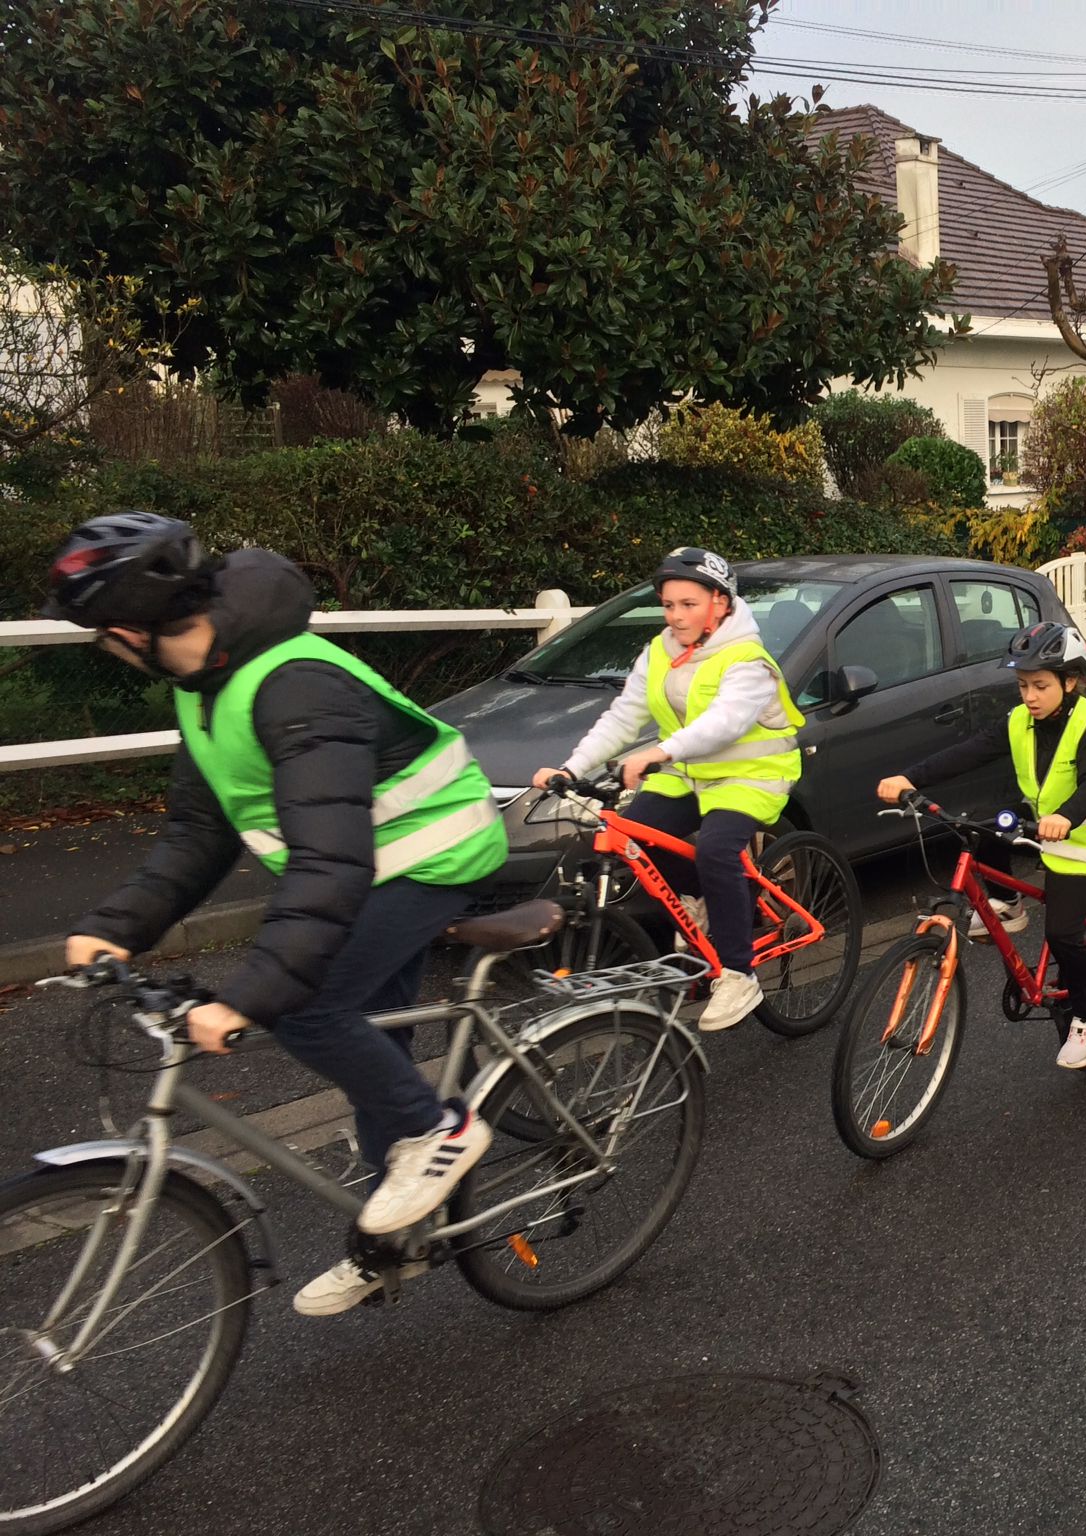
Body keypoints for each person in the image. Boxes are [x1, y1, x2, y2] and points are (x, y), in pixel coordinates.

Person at [47, 512, 508, 1318]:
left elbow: (331, 865)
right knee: (373, 1045)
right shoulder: (206, 687)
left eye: (100, 636)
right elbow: (199, 832)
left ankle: (443, 1135)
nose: (106, 649)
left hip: (432, 856)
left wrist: (251, 993)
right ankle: (395, 1238)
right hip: (363, 866)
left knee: (307, 1009)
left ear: (127, 630)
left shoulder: (297, 684)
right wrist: (116, 925)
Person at [533, 547, 803, 1033]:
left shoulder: (747, 658)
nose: (675, 615)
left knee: (718, 849)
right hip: (689, 769)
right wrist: (571, 767)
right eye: (669, 604)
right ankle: (699, 899)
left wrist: (659, 753)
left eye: (688, 604)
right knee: (635, 833)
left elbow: (724, 723)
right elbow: (623, 716)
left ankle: (739, 974)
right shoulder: (660, 652)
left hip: (752, 772)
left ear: (719, 603)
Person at [875, 622, 1086, 1071]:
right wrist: (911, 778)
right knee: (981, 829)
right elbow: (969, 751)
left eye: (1041, 686)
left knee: (1062, 932)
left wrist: (1066, 818)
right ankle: (1007, 903)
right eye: (1023, 685)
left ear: (1070, 682)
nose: (1029, 696)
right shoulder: (1019, 721)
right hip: (1047, 834)